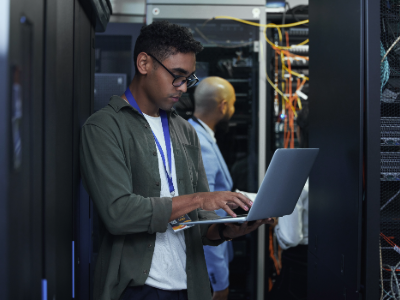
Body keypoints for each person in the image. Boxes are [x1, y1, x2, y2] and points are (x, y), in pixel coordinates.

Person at [80, 21, 274, 300]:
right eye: (177, 76)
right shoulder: (104, 128)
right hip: (137, 291)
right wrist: (199, 200)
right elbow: (118, 214)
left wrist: (225, 229)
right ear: (144, 63)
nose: (183, 87)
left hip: (190, 288)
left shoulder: (185, 131)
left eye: (189, 78)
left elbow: (195, 223)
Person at [188, 77, 236, 300]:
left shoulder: (198, 135)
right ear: (223, 106)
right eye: (233, 104)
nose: (233, 110)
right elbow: (207, 214)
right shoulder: (200, 143)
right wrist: (219, 281)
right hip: (208, 265)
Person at [269, 104, 309, 300]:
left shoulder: (294, 174)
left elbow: (290, 238)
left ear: (300, 131)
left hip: (301, 267)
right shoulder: (350, 169)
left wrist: (276, 224)